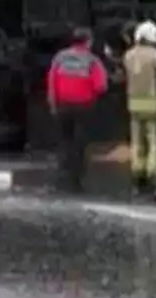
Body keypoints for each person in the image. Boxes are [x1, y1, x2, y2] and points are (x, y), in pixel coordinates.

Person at [46, 26, 109, 192]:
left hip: (63, 106)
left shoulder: (59, 58)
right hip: (84, 107)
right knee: (80, 143)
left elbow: (51, 82)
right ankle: (77, 179)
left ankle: (62, 176)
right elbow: (101, 86)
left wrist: (53, 103)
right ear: (88, 42)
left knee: (65, 141)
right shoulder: (92, 61)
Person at [123, 20, 156, 195]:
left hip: (133, 103)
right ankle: (154, 178)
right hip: (153, 103)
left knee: (137, 142)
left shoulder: (129, 55)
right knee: (155, 142)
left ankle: (137, 178)